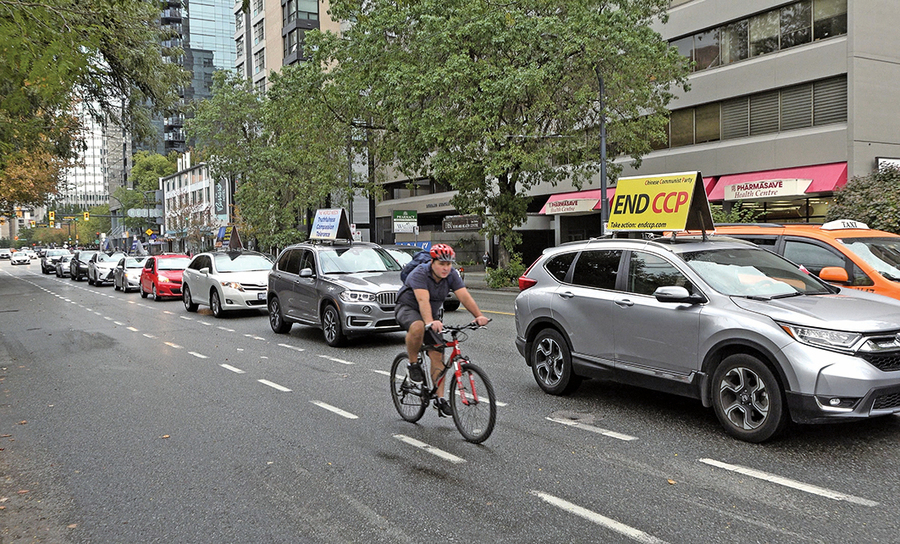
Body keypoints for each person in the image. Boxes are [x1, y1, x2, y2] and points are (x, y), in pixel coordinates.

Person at [394, 243, 490, 416]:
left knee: (438, 353)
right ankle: (413, 364)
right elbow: (422, 301)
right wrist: (430, 321)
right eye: (441, 264)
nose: (446, 268)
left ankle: (440, 399)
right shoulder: (420, 274)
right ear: (433, 262)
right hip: (408, 307)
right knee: (418, 326)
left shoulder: (452, 275)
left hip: (431, 313)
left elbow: (464, 296)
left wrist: (478, 315)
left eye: (448, 264)